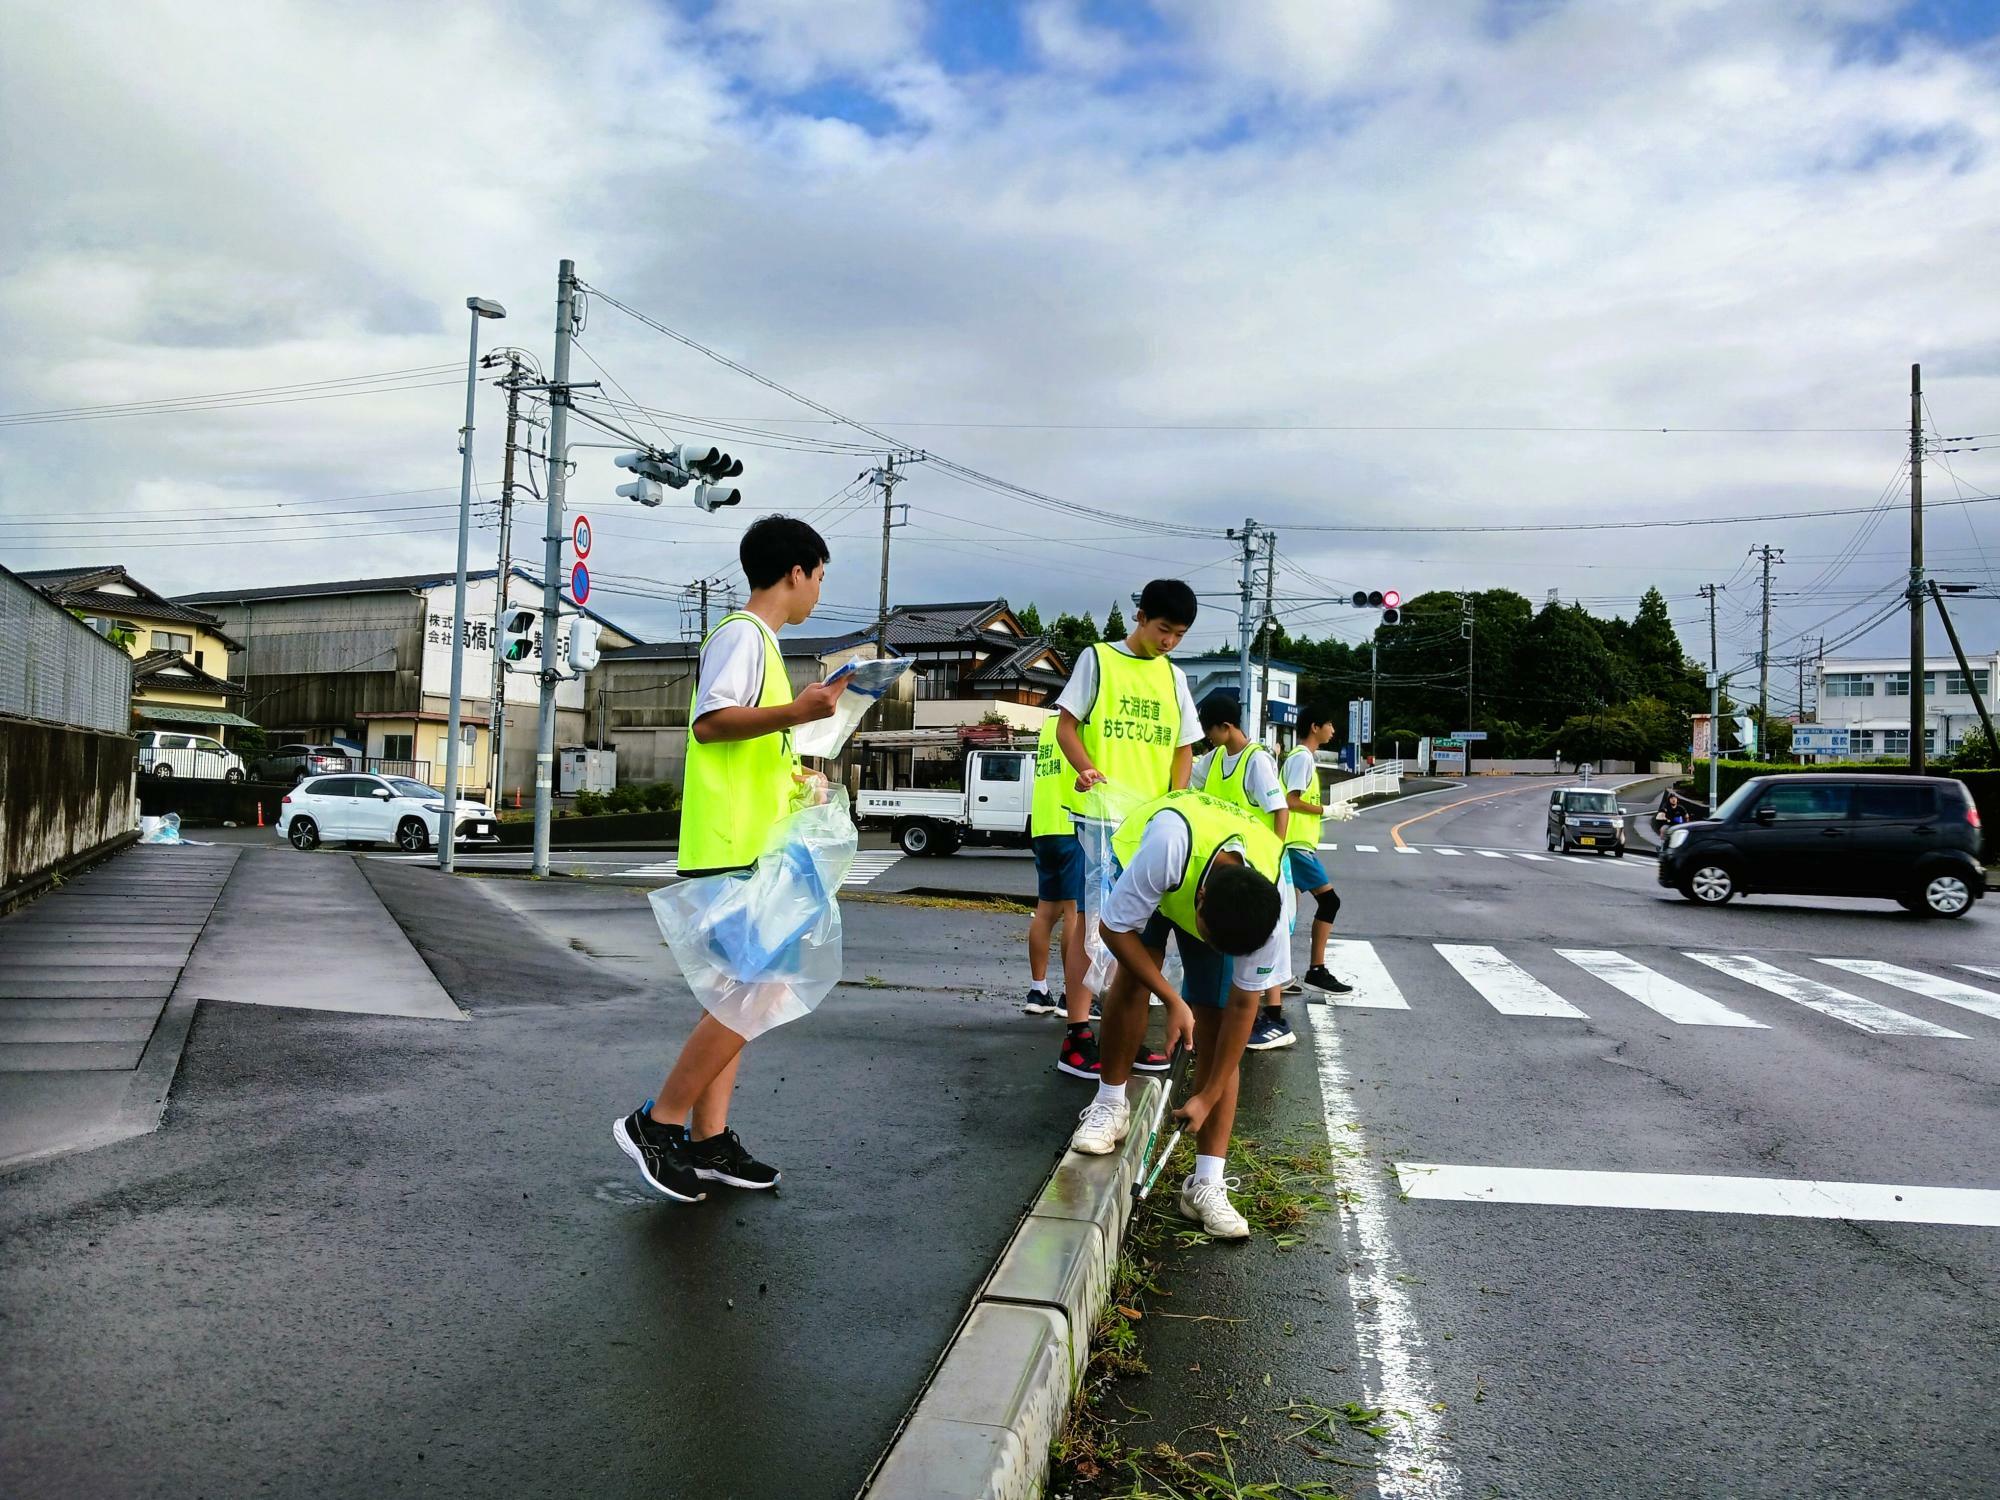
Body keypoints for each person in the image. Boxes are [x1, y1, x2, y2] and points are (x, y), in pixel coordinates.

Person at [614, 515, 848, 1204]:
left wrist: (795, 776)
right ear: (795, 571)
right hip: (729, 851)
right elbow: (713, 723)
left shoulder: (762, 645)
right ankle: (658, 1123)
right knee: (756, 993)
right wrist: (797, 715)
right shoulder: (744, 636)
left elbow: (745, 743)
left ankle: (710, 1141)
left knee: (738, 997)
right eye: (820, 577)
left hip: (746, 847)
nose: (818, 593)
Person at [1068, 789, 1286, 1240]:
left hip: (1222, 898)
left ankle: (1206, 1183)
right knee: (1130, 979)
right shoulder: (1167, 845)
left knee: (1218, 1018)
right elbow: (1113, 929)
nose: (1210, 948)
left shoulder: (1268, 904)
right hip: (1152, 869)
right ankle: (1110, 1105)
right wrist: (1172, 998)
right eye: (1209, 937)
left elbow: (1245, 1007)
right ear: (1200, 900)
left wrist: (1206, 1096)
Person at [1054, 578, 1206, 1073]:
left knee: (1137, 932)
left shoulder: (1175, 678)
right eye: (1164, 629)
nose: (1169, 642)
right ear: (1140, 616)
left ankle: (1123, 1028)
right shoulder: (1097, 659)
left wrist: (1176, 802)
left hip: (1152, 823)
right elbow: (1066, 726)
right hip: (1103, 816)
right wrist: (1084, 767)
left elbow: (1184, 748)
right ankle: (1078, 1031)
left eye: (1179, 635)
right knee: (1093, 920)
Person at [1191, 691, 1297, 1050]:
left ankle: (1274, 1017)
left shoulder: (1256, 761)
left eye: (1211, 731)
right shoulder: (1215, 758)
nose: (1209, 738)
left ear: (1227, 726)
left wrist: (1271, 861)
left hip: (1260, 868)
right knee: (1243, 940)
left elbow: (1280, 810)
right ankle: (1251, 1018)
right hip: (1234, 868)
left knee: (1264, 940)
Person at [1025, 715, 1103, 1079]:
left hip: (1042, 825)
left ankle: (1037, 990)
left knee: (1046, 911)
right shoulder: (1079, 726)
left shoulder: (1047, 726)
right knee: (1076, 911)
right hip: (1072, 823)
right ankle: (1072, 998)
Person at [1279, 703, 1354, 1000]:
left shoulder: (1301, 758)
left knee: (1286, 917)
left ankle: (1278, 976)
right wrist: (1328, 809)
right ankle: (1317, 970)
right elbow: (1290, 800)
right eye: (1329, 725)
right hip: (1295, 846)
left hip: (1295, 844)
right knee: (1330, 902)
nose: (1333, 730)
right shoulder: (1302, 759)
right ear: (1314, 727)